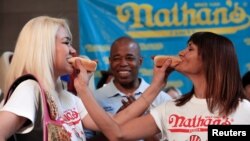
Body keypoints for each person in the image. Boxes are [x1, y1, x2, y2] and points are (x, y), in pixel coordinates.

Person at [0, 16, 165, 141]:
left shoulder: (68, 98)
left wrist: (156, 85)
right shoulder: (30, 89)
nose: (73, 50)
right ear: (44, 47)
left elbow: (113, 124)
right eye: (66, 43)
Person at [73, 31, 250, 141]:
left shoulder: (244, 110)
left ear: (212, 58)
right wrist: (83, 88)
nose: (181, 53)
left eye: (190, 48)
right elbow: (116, 133)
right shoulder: (171, 108)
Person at [89, 36, 172, 140]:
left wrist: (140, 121)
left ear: (140, 62)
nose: (123, 63)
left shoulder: (162, 99)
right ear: (110, 62)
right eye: (116, 59)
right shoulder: (95, 99)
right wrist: (116, 121)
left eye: (129, 58)